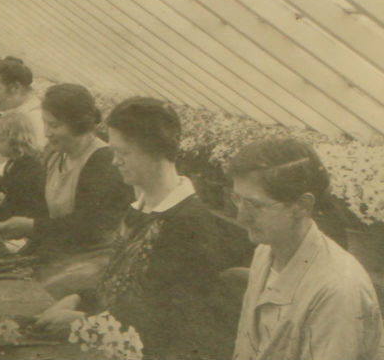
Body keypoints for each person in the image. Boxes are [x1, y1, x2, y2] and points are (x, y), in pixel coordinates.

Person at [35, 97, 253, 359]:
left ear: (156, 153)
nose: (115, 161)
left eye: (123, 153)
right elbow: (120, 287)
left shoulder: (188, 225)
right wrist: (79, 298)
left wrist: (84, 321)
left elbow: (170, 319)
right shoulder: (140, 209)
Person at [229, 139, 384, 359]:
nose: (241, 217)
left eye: (256, 205)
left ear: (302, 205)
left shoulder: (337, 289)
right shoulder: (266, 252)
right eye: (237, 199)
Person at [0, 84, 132, 255]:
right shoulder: (54, 155)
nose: (47, 133)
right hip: (60, 251)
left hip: (92, 257)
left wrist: (31, 226)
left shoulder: (102, 161)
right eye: (45, 124)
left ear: (78, 124)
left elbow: (88, 227)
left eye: (54, 126)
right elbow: (44, 213)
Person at [0, 112, 47, 223]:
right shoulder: (14, 162)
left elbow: (16, 204)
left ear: (17, 141)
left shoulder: (29, 168)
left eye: (1, 140)